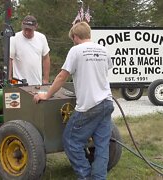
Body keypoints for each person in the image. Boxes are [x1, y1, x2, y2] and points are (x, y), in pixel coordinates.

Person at [34, 22, 114, 180]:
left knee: (70, 141)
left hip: (89, 106)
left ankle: (84, 176)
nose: (73, 41)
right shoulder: (104, 50)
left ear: (75, 37)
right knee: (102, 146)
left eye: (73, 39)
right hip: (106, 102)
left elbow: (62, 76)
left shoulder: (76, 50)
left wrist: (46, 95)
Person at [9, 15, 51, 85]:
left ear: (36, 27)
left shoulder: (41, 38)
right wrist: (9, 78)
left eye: (30, 30)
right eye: (25, 29)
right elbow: (9, 59)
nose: (27, 32)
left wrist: (46, 79)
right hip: (19, 83)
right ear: (22, 25)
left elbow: (46, 58)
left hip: (37, 83)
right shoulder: (14, 38)